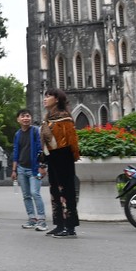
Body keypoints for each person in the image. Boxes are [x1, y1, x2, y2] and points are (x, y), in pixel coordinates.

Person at [39, 89, 81, 237]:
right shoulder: (48, 118)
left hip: (64, 157)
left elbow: (72, 140)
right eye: (45, 96)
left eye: (49, 96)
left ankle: (70, 227)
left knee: (66, 191)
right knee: (55, 191)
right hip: (53, 158)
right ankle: (59, 224)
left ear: (57, 99)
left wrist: (73, 156)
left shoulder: (64, 118)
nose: (45, 99)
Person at [11, 108, 47, 231]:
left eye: (28, 116)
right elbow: (16, 152)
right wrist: (14, 170)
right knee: (26, 195)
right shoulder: (17, 134)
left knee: (35, 193)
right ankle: (32, 219)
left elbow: (41, 149)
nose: (26, 118)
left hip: (35, 168)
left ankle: (42, 220)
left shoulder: (36, 131)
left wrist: (42, 166)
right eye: (23, 116)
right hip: (21, 168)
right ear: (18, 119)